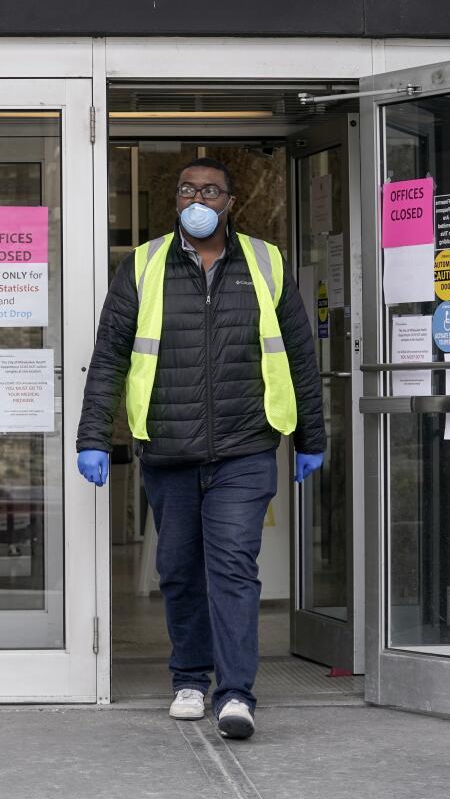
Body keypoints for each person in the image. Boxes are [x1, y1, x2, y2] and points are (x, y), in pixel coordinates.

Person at [76, 157, 325, 740]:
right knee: (179, 570)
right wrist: (93, 437)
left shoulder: (265, 262)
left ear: (229, 202)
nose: (197, 198)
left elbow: (300, 355)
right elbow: (111, 354)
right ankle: (190, 677)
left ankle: (236, 694)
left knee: (234, 566)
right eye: (188, 189)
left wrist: (313, 437)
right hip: (168, 447)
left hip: (246, 446)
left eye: (210, 190)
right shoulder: (143, 264)